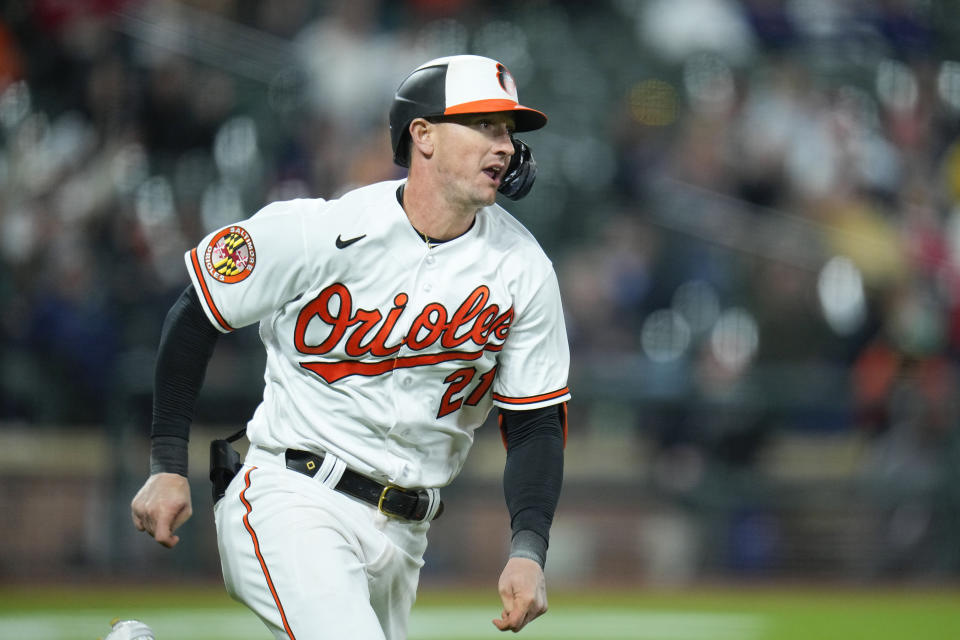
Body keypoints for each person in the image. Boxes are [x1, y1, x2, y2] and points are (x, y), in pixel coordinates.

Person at [130, 54, 570, 639]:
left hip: (407, 535)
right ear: (424, 135)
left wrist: (529, 547)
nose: (504, 146)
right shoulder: (321, 230)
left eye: (508, 131)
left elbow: (536, 422)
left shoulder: (523, 269)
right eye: (484, 125)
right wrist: (166, 464)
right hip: (294, 493)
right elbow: (197, 311)